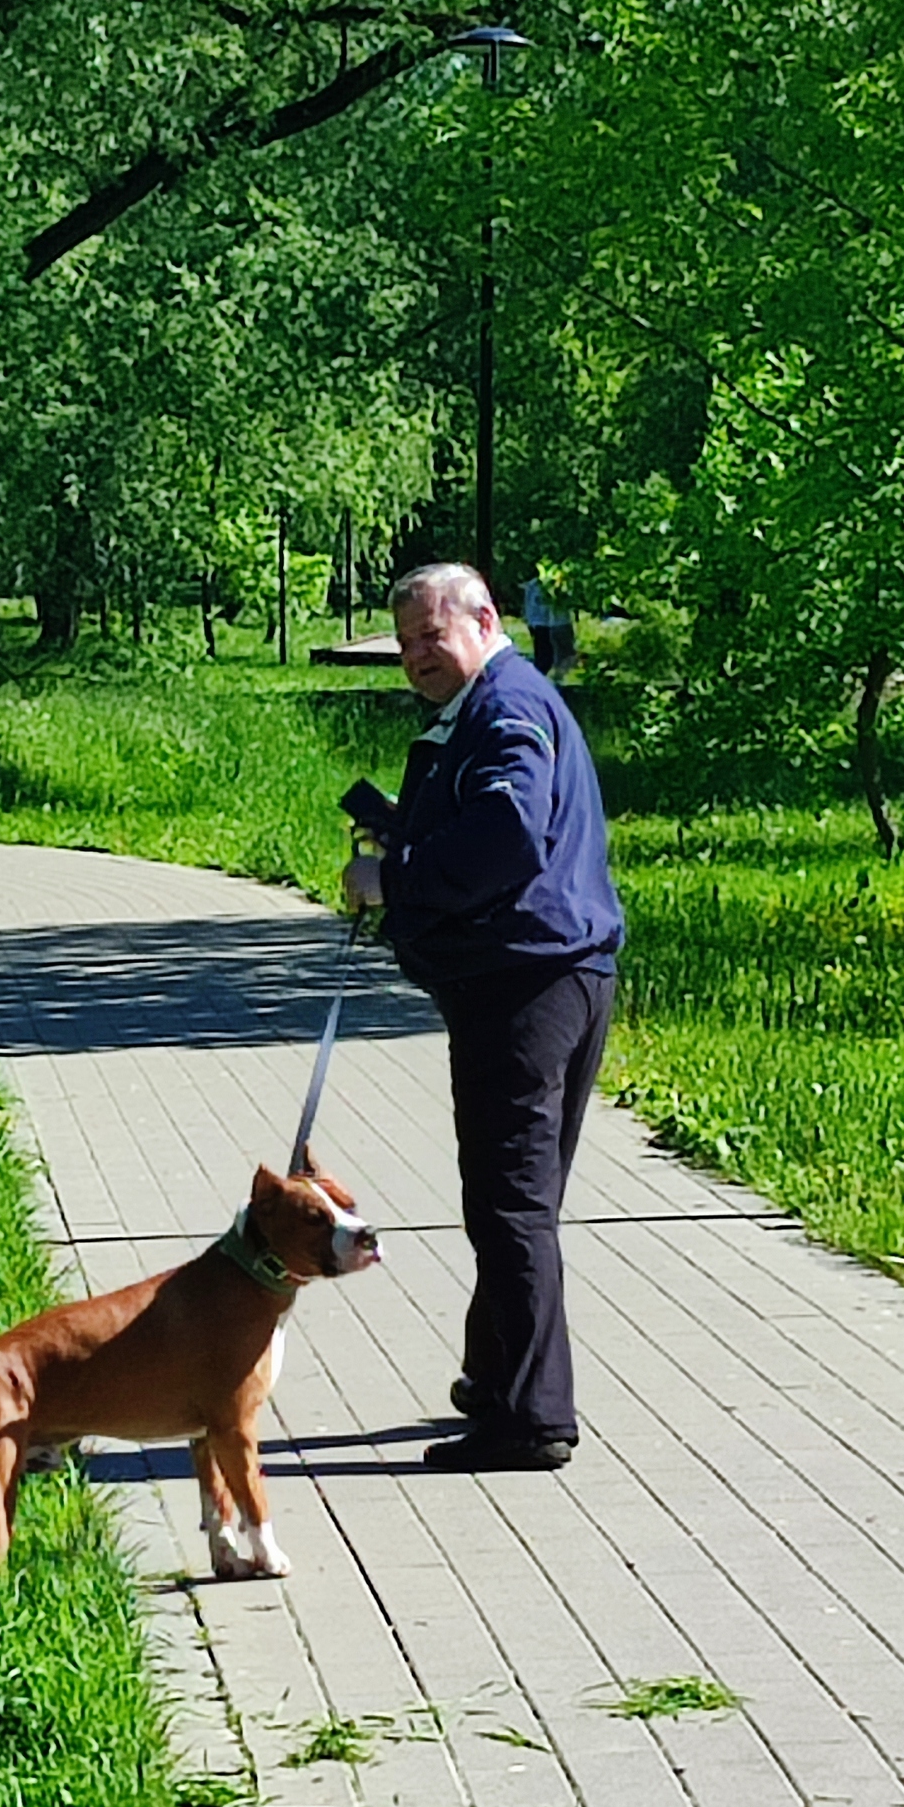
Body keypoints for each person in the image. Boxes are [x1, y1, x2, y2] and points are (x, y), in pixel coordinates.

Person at [343, 562, 622, 1471]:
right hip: (556, 971)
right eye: (407, 643)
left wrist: (398, 879)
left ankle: (532, 1420)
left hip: (528, 981)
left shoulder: (505, 708)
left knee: (510, 1205)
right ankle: (495, 1378)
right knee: (515, 1202)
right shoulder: (498, 702)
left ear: (485, 619)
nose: (419, 655)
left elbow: (507, 834)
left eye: (433, 635)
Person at [521, 568, 577, 680]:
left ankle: (560, 679)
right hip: (541, 624)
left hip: (559, 623)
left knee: (565, 656)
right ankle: (540, 680)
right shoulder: (533, 585)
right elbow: (529, 605)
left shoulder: (561, 582)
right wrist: (530, 621)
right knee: (544, 657)